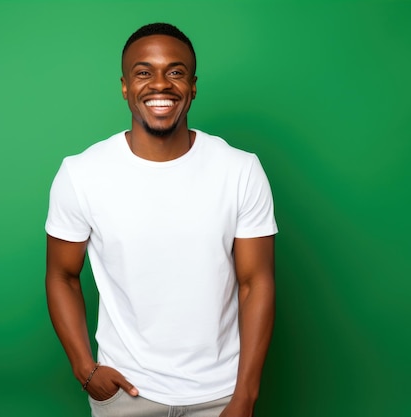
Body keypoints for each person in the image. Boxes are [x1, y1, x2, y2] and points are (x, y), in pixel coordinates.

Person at [45, 22, 278, 417]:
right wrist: (85, 369)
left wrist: (244, 397)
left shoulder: (240, 170)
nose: (160, 84)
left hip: (220, 395)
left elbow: (256, 283)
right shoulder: (81, 173)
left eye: (175, 71)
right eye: (143, 72)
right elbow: (62, 275)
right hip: (126, 395)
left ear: (192, 85)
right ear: (124, 86)